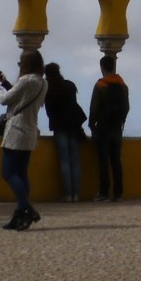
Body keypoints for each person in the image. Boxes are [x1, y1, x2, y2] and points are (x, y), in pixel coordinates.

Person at [0, 49, 48, 230]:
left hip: (16, 131)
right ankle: (19, 215)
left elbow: (4, 99)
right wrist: (6, 82)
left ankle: (27, 209)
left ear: (25, 65)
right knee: (21, 173)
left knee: (8, 173)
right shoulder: (43, 83)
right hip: (30, 131)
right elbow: (21, 97)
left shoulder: (25, 80)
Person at [43, 61, 87, 202]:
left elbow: (48, 110)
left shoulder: (48, 88)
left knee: (65, 161)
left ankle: (68, 194)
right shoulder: (69, 86)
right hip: (73, 126)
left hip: (59, 127)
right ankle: (76, 193)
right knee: (75, 160)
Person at [89, 55, 131, 202]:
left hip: (103, 128)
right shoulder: (123, 85)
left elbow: (94, 108)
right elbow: (127, 107)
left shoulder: (100, 85)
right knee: (116, 161)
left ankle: (103, 193)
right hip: (117, 128)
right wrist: (121, 120)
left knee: (103, 161)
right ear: (114, 67)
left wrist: (91, 125)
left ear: (102, 68)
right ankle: (118, 193)